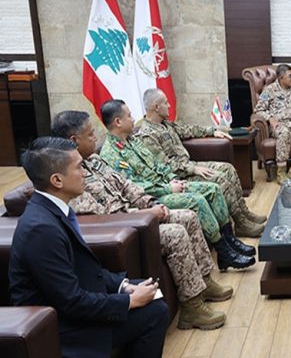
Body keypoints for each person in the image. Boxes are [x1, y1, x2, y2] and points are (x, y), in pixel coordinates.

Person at [9, 137, 168, 358]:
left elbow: (86, 271)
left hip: (74, 306)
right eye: (79, 167)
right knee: (154, 312)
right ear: (57, 180)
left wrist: (123, 286)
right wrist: (129, 301)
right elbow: (70, 302)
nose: (85, 173)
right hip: (60, 328)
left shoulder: (53, 210)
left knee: (152, 292)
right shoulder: (41, 229)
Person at [52, 110, 232, 330]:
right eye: (90, 134)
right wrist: (145, 215)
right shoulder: (69, 177)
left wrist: (150, 203)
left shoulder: (94, 160)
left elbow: (126, 186)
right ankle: (192, 307)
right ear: (74, 140)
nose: (96, 137)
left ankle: (205, 282)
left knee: (188, 216)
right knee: (175, 233)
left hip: (136, 213)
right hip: (125, 227)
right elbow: (103, 219)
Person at [99, 99, 255, 271]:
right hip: (152, 197)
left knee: (213, 189)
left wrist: (172, 178)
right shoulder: (111, 154)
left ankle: (230, 240)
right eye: (129, 115)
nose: (133, 118)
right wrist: (168, 188)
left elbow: (157, 165)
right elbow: (135, 187)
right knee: (197, 201)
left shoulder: (133, 141)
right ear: (118, 122)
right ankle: (224, 251)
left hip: (166, 184)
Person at [137, 88, 266, 237]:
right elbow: (164, 166)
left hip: (188, 165)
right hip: (178, 177)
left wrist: (212, 131)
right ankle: (241, 224)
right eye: (166, 103)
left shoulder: (165, 124)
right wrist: (193, 169)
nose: (169, 105)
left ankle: (244, 214)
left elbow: (188, 129)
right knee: (219, 178)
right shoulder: (148, 135)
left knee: (228, 169)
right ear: (156, 107)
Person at [252, 63, 291, 183]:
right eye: (290, 76)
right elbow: (259, 109)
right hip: (279, 125)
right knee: (285, 133)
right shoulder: (269, 90)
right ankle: (281, 172)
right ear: (281, 78)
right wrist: (270, 118)